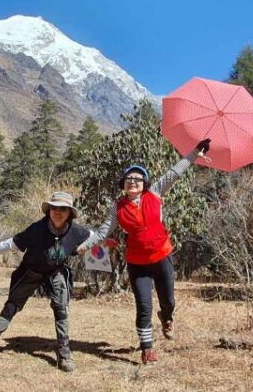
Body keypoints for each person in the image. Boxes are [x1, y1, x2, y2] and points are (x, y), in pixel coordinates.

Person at [78, 139, 210, 364]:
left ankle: (166, 318)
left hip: (162, 256)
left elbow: (175, 172)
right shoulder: (118, 207)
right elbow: (102, 232)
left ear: (145, 182)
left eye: (137, 178)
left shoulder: (155, 193)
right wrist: (81, 246)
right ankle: (147, 349)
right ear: (123, 184)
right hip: (137, 263)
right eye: (128, 178)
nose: (133, 181)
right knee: (144, 307)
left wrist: (196, 152)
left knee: (168, 301)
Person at [0, 191, 91, 372]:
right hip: (31, 271)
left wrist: (107, 242)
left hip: (56, 271)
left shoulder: (77, 231)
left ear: (69, 213)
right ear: (49, 210)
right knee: (11, 306)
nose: (58, 212)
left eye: (63, 209)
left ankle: (64, 354)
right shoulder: (36, 229)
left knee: (61, 308)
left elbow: (96, 236)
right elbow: (10, 244)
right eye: (54, 208)